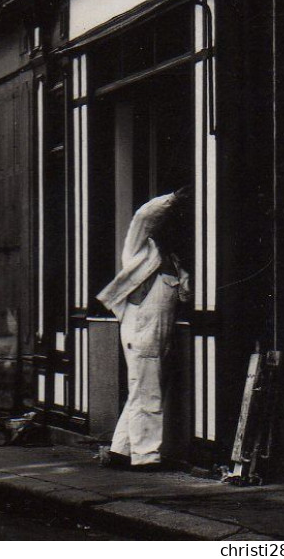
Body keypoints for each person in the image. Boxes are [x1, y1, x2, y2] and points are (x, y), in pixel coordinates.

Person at [95, 188, 191, 469]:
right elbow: (142, 217)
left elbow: (185, 293)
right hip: (142, 332)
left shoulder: (173, 261)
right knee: (147, 391)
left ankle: (120, 449)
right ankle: (146, 456)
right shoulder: (140, 251)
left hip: (158, 335)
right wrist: (172, 199)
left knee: (141, 388)